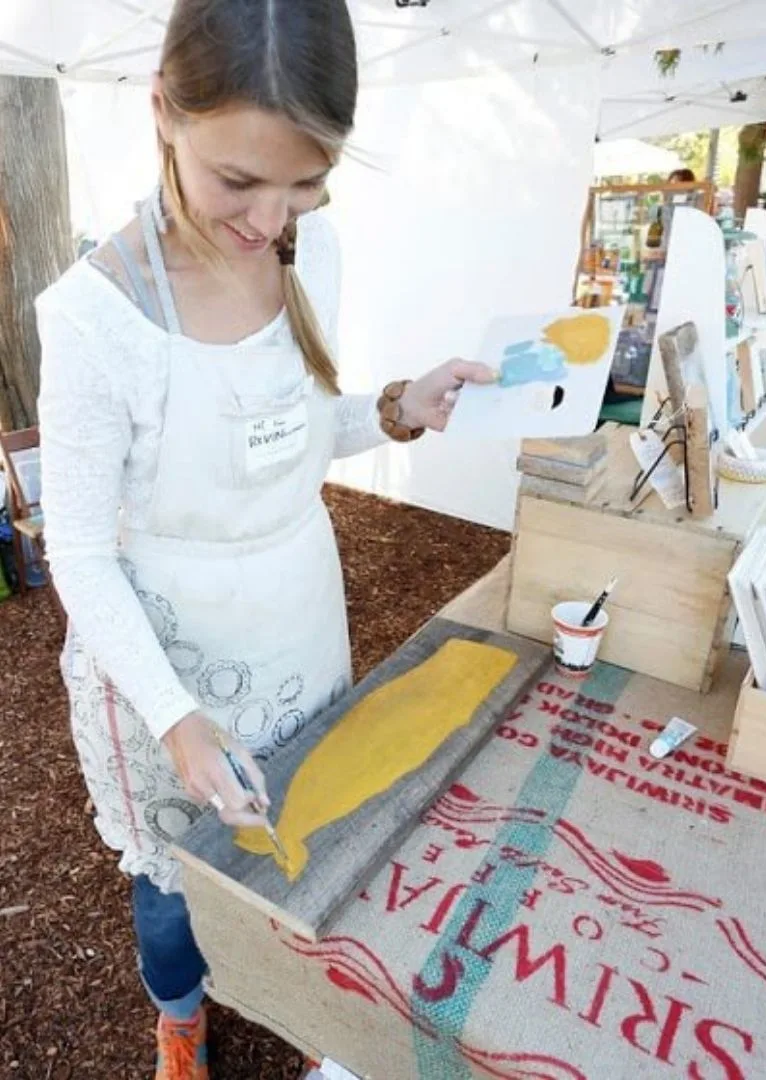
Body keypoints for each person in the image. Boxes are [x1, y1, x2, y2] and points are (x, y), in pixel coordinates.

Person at [35, 2, 492, 1077]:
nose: (269, 218)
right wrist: (176, 718)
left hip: (293, 603)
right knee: (176, 870)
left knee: (306, 810)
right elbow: (83, 552)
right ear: (163, 113)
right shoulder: (95, 317)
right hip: (165, 650)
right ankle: (182, 1011)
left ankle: (288, 981)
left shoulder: (309, 247)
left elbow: (278, 436)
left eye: (304, 185)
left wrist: (393, 408)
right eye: (239, 182)